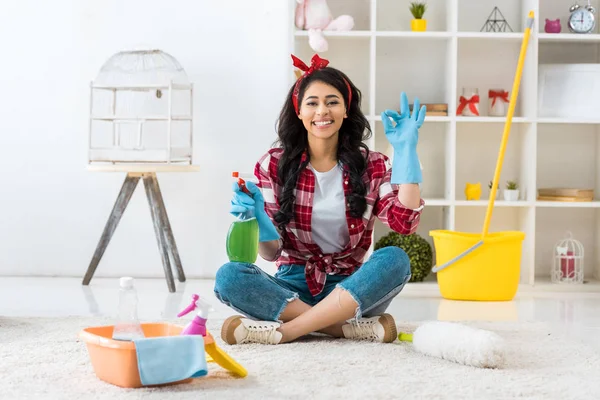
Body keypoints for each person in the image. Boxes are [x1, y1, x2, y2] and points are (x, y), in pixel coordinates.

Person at [214, 53, 426, 345]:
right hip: (291, 287)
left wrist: (407, 153)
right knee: (229, 277)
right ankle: (340, 328)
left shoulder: (373, 165)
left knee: (396, 259)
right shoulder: (273, 165)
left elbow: (404, 224)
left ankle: (288, 331)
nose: (322, 111)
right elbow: (270, 254)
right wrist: (256, 216)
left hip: (351, 291)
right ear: (299, 112)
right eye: (312, 103)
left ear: (346, 110)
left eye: (332, 102)